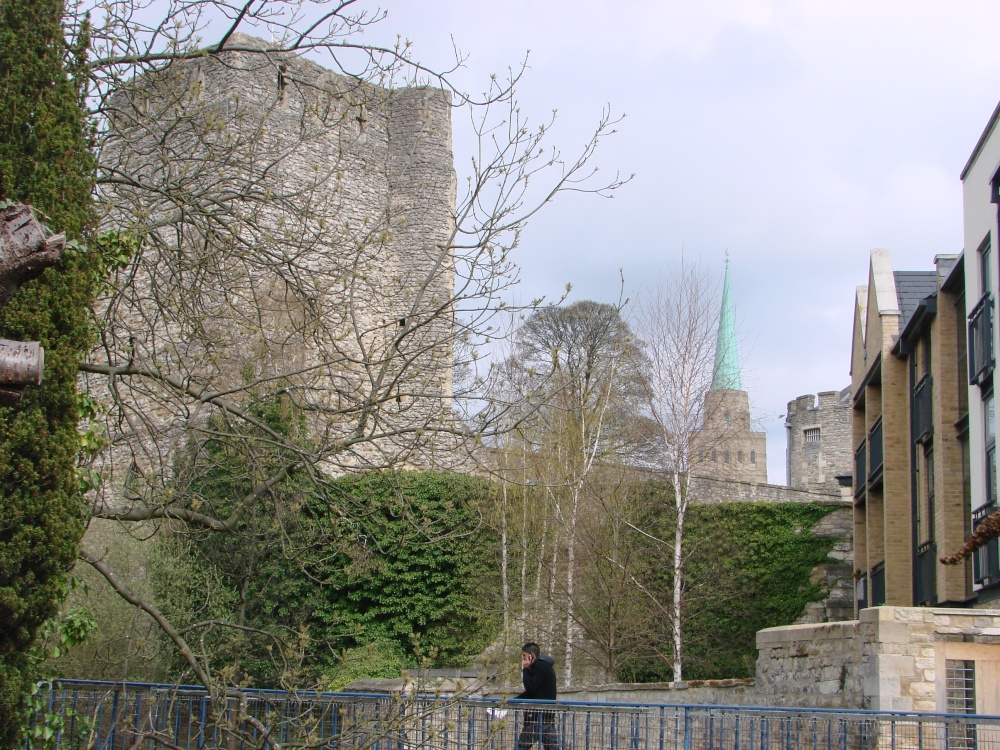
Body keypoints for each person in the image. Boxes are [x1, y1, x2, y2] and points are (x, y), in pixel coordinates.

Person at [514, 642, 558, 750]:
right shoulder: (544, 667)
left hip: (536, 716)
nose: (523, 659)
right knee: (552, 747)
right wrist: (512, 701)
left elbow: (530, 688)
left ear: (532, 655)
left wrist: (525, 670)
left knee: (522, 746)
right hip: (547, 716)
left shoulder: (538, 666)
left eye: (524, 656)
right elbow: (532, 692)